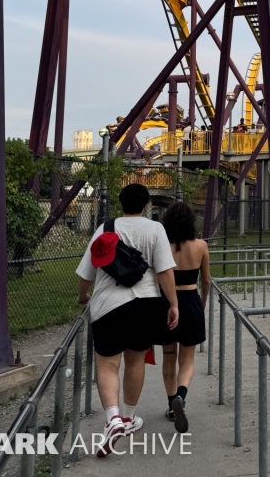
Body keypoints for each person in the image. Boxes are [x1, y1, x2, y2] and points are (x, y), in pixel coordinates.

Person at [76, 184, 179, 457]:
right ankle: (129, 418)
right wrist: (173, 304)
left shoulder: (105, 228)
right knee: (135, 360)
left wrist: (83, 296)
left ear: (120, 204)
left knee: (108, 364)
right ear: (146, 204)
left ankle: (112, 419)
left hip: (108, 306)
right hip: (146, 304)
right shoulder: (155, 229)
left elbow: (87, 272)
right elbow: (165, 272)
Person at [159, 201, 210, 434]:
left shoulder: (162, 247)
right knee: (187, 358)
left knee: (169, 355)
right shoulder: (201, 246)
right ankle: (181, 395)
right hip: (190, 301)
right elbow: (207, 280)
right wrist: (203, 303)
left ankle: (171, 405)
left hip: (166, 303)